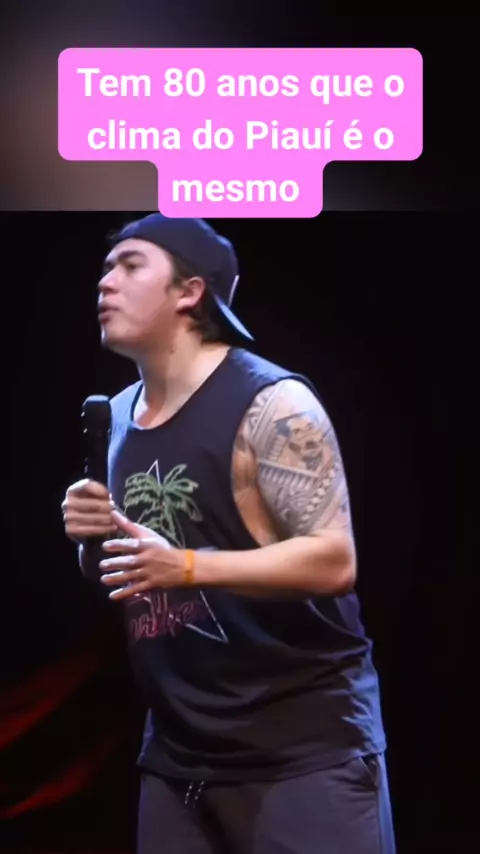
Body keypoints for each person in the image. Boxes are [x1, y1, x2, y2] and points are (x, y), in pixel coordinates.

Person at [62, 214, 395, 854]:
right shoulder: (120, 415)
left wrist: (186, 566)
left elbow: (333, 561)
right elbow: (134, 568)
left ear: (189, 292)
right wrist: (88, 537)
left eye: (130, 265)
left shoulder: (273, 404)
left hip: (302, 753)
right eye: (106, 267)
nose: (105, 281)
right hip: (178, 756)